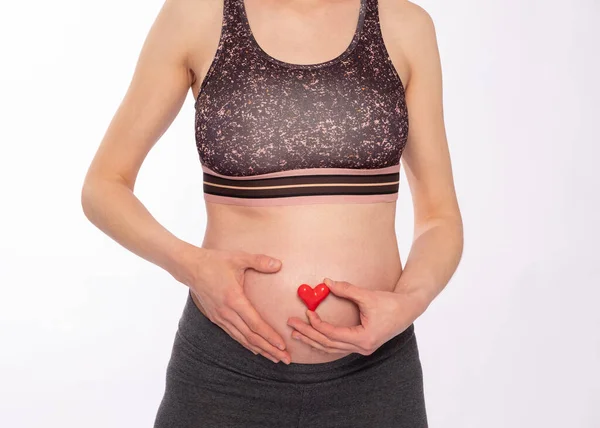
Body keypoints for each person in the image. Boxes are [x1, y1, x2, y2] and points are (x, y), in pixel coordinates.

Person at [81, 0, 463, 426]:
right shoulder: (195, 15)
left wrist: (410, 301)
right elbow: (104, 187)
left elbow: (438, 217)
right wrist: (192, 266)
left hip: (375, 376)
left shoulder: (406, 25)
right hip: (223, 375)